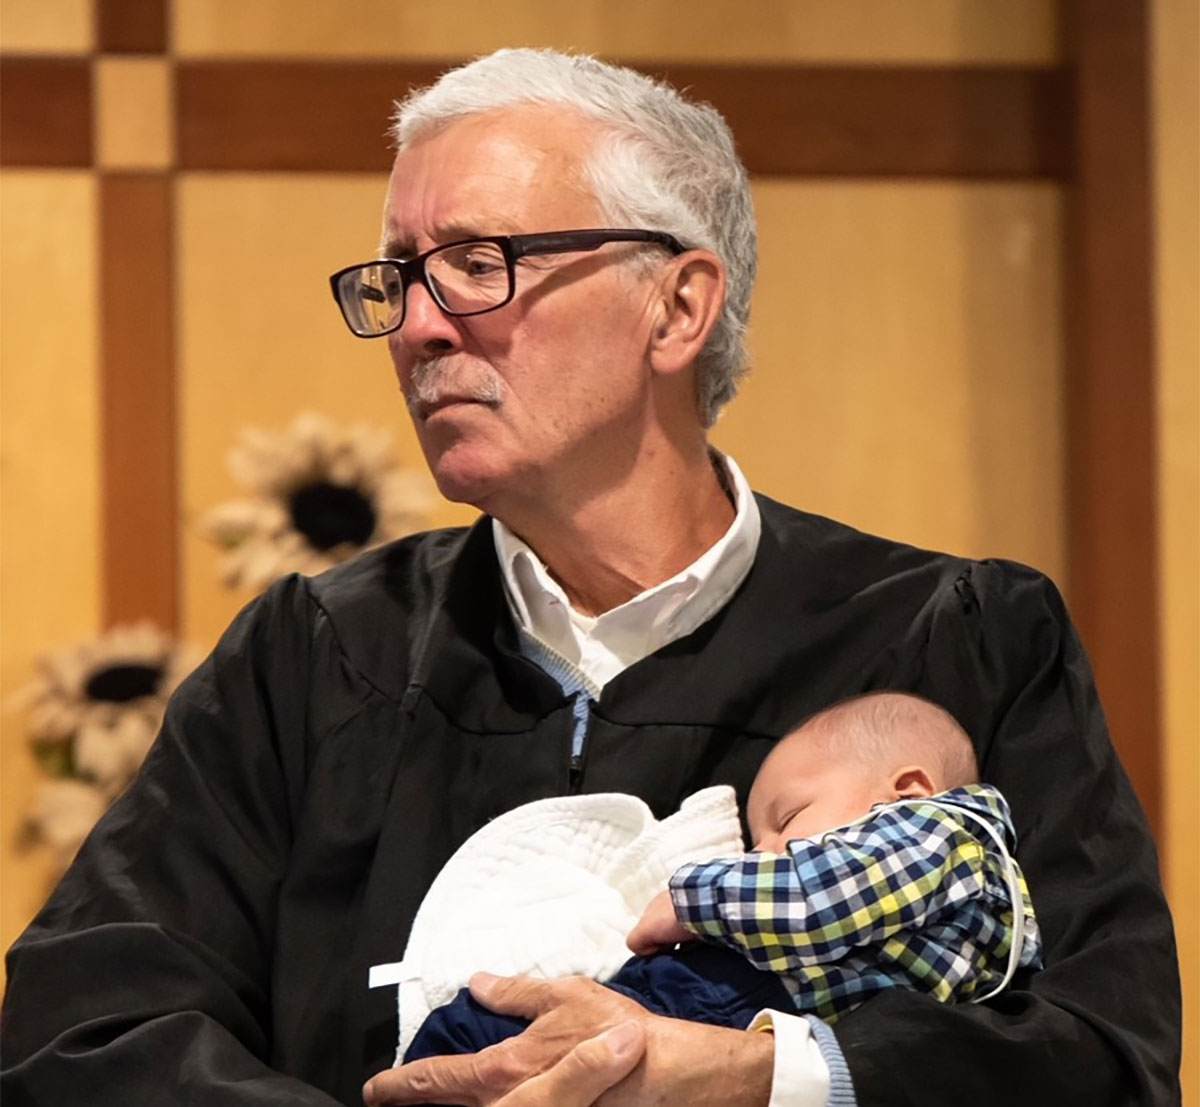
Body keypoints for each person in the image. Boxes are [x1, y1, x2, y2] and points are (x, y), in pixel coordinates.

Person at [1, 47, 1180, 1107]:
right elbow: (81, 1029)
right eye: (400, 276)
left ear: (677, 305)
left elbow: (1106, 1053)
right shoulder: (316, 656)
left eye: (477, 264)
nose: (418, 326)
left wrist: (761, 1075)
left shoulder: (957, 639)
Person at [404, 691, 1043, 1065]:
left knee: (479, 1035)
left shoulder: (940, 836)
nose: (764, 852)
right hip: (760, 1022)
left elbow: (815, 903)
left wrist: (691, 900)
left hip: (742, 1002)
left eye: (787, 819)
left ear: (908, 790)